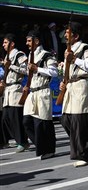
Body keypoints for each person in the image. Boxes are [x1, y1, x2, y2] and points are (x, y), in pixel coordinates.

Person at [59, 22, 88, 167]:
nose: (65, 35)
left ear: (76, 35)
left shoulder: (84, 48)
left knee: (79, 121)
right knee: (66, 119)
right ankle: (86, 148)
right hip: (70, 86)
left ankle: (84, 155)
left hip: (80, 85)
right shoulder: (67, 50)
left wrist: (75, 59)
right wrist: (64, 81)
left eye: (68, 33)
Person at [22, 30, 58, 160]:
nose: (27, 43)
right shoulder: (30, 55)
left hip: (42, 91)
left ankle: (49, 149)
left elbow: (54, 72)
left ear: (36, 41)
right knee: (27, 121)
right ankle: (41, 145)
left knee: (43, 122)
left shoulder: (46, 55)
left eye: (29, 40)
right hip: (32, 91)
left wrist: (37, 69)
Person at [0, 33, 30, 152]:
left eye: (6, 42)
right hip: (8, 90)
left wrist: (11, 66)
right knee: (6, 118)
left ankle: (22, 141)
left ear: (12, 44)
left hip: (15, 89)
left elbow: (26, 70)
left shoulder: (19, 55)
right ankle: (11, 140)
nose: (3, 45)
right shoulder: (7, 57)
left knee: (15, 118)